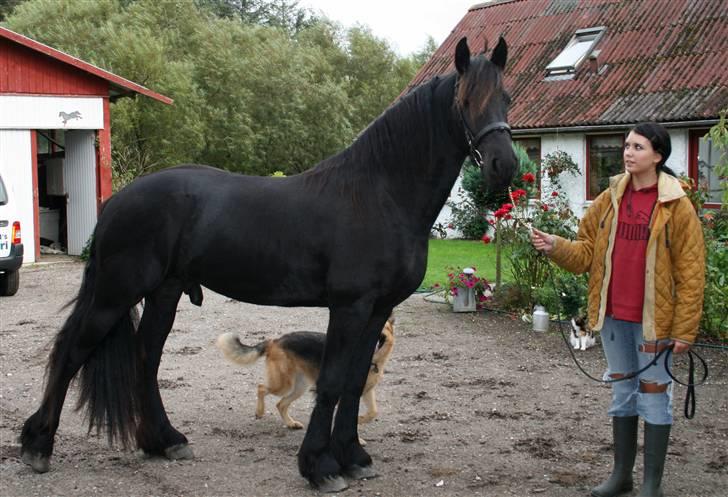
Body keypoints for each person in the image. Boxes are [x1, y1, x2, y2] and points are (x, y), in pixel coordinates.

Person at [530, 122, 705, 497]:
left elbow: (691, 273)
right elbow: (585, 254)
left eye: (638, 147)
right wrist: (555, 245)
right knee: (622, 394)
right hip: (613, 318)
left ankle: (651, 485)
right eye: (626, 145)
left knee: (655, 396)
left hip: (654, 322)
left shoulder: (677, 205)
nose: (628, 152)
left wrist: (685, 330)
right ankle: (621, 476)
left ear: (657, 155)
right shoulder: (608, 199)